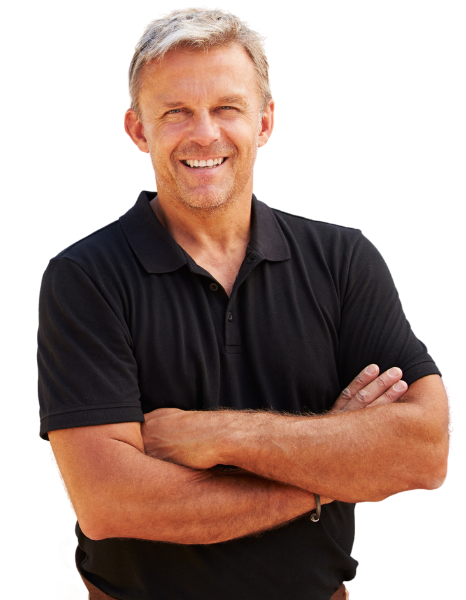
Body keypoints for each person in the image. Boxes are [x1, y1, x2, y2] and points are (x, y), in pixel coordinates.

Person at [38, 7, 451, 600]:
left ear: (264, 122)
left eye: (226, 108)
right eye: (176, 111)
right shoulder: (84, 277)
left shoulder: (344, 260)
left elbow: (423, 452)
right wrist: (335, 469)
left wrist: (217, 436)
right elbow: (111, 504)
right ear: (137, 130)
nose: (204, 134)